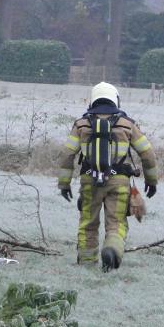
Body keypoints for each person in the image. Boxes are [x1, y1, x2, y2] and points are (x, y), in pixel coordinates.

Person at [57, 82, 158, 272]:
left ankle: (87, 265)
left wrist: (64, 184)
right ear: (115, 98)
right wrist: (151, 182)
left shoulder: (81, 124)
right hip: (118, 182)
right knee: (117, 222)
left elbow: (67, 154)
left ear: (93, 98)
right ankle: (111, 250)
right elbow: (148, 153)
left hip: (89, 182)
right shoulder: (127, 124)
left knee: (88, 223)